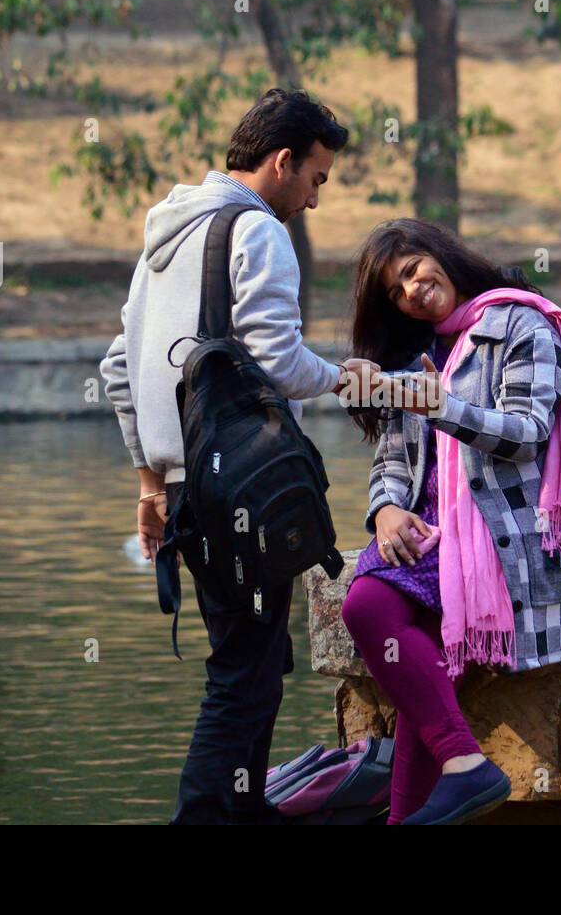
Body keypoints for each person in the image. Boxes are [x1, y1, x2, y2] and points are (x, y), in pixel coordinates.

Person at [99, 89, 379, 824]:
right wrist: (345, 376)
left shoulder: (163, 240)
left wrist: (149, 481)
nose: (315, 199)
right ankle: (203, 816)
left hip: (192, 494)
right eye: (317, 178)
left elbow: (118, 368)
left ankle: (241, 810)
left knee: (253, 662)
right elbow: (279, 360)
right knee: (242, 675)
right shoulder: (258, 233)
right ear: (283, 161)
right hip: (241, 492)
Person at [341, 218, 561, 825]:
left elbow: (528, 433)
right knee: (380, 620)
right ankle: (461, 772)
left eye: (413, 269)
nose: (412, 289)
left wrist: (442, 406)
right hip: (430, 528)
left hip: (502, 531)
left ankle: (451, 780)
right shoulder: (412, 351)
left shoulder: (523, 321)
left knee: (388, 634)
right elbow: (392, 459)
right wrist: (385, 509)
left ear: (439, 255)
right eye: (395, 290)